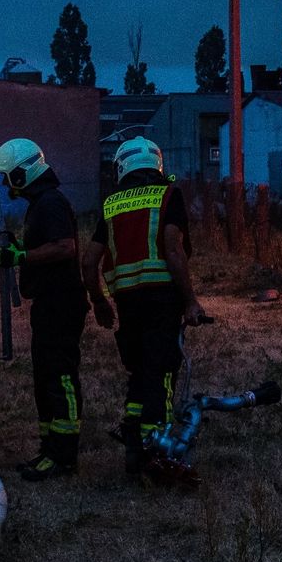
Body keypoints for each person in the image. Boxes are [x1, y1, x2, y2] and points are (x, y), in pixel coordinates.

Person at [85, 136, 205, 478]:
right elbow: (173, 247)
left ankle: (135, 440)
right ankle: (159, 452)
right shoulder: (169, 195)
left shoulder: (110, 204)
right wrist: (190, 300)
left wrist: (99, 302)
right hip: (162, 298)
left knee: (139, 371)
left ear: (122, 166)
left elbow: (89, 261)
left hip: (126, 302)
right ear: (157, 163)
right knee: (162, 374)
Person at [0, 138, 88, 481]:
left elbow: (64, 247)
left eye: (7, 176)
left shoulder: (50, 203)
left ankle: (63, 455)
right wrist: (18, 248)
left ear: (22, 173)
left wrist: (21, 257)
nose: (5, 184)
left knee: (60, 378)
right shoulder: (41, 204)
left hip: (61, 302)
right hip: (49, 303)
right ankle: (50, 450)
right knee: (45, 378)